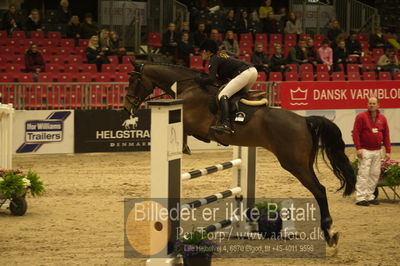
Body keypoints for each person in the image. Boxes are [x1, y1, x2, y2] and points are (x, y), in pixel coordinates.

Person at [197, 39, 257, 134]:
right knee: (236, 96)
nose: (201, 54)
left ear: (207, 51)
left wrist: (199, 80)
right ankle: (240, 119)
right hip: (252, 71)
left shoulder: (214, 58)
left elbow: (211, 79)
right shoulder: (222, 55)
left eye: (201, 52)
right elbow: (222, 78)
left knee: (223, 95)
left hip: (244, 73)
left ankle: (226, 124)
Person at [352, 97, 391, 206]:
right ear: (367, 104)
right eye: (370, 103)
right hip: (365, 150)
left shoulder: (382, 118)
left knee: (374, 174)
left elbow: (386, 135)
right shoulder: (361, 117)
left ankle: (369, 196)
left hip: (377, 150)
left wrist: (388, 151)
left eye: (374, 103)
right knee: (363, 174)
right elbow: (356, 133)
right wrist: (358, 148)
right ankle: (360, 198)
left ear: (378, 105)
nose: (371, 105)